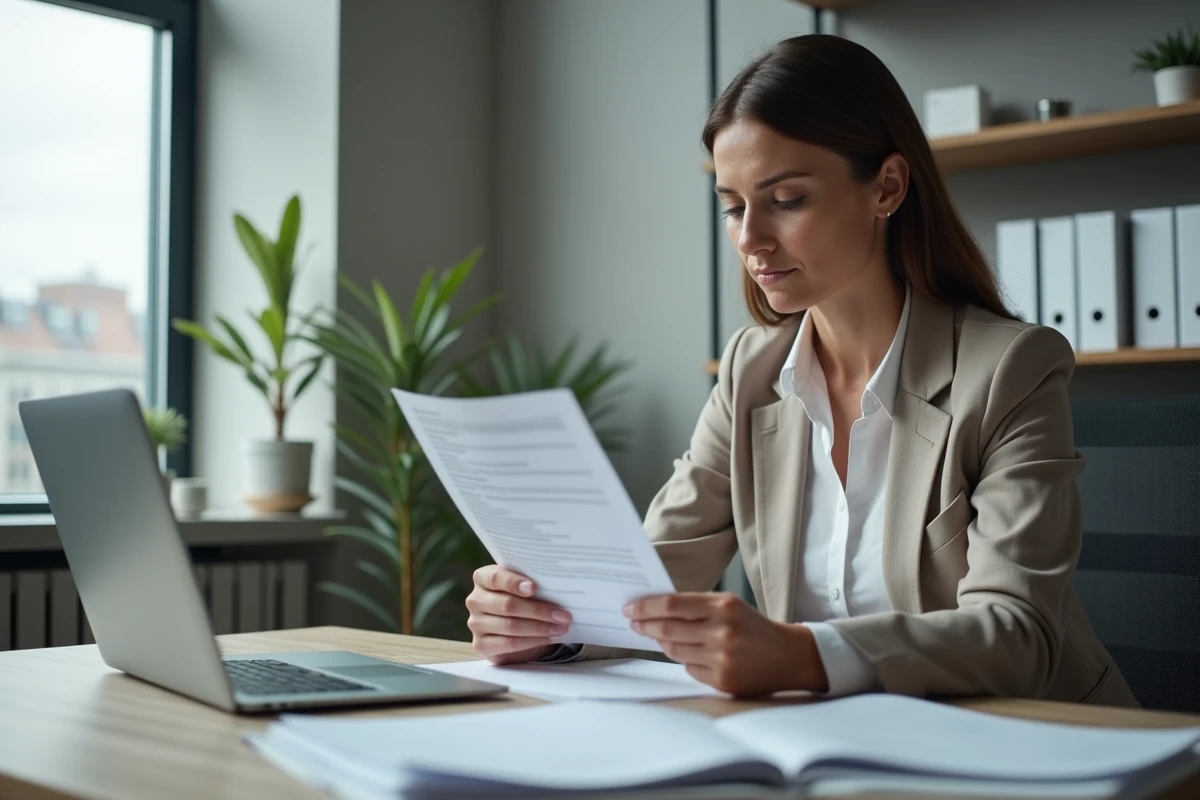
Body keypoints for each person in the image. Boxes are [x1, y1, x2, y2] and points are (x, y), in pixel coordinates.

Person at [464, 33, 1137, 705]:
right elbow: (642, 587)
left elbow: (1018, 636)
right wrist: (548, 622)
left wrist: (803, 654)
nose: (751, 238)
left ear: (888, 187)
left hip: (1038, 740)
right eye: (733, 206)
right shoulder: (750, 372)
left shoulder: (1009, 370)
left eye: (785, 199)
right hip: (832, 744)